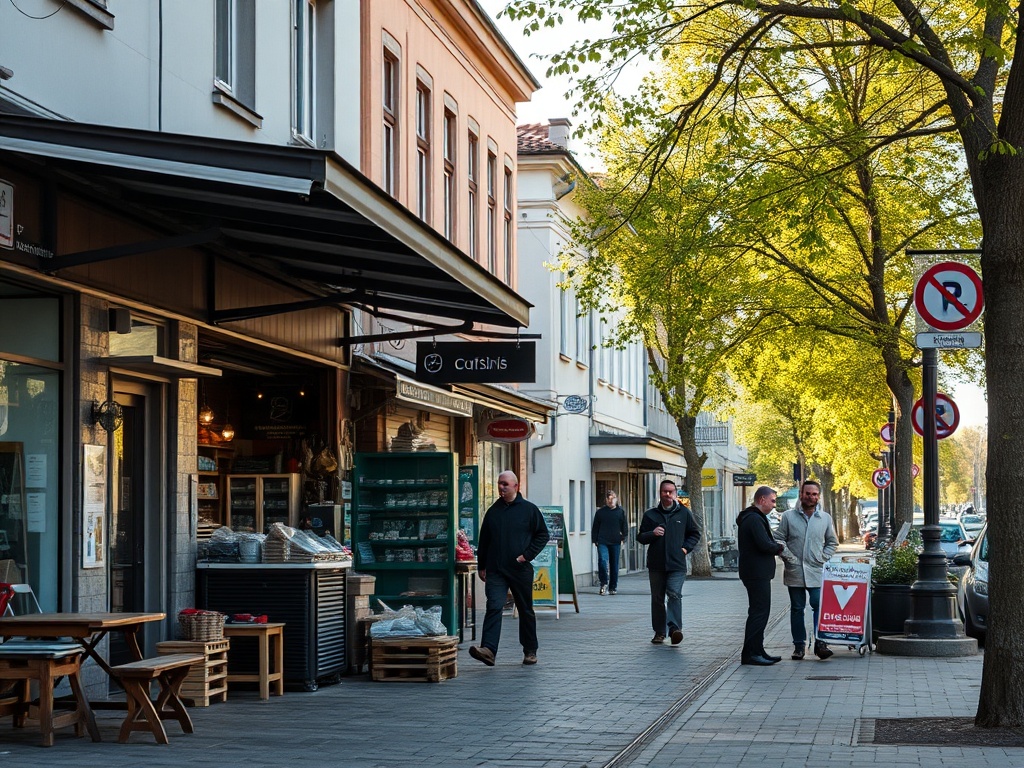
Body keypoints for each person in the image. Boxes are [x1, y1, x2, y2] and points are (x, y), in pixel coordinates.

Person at [469, 471, 549, 667]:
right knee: (494, 606)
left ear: (516, 486)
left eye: (505, 484)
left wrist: (526, 556)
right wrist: (482, 565)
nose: (501, 487)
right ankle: (488, 649)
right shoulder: (493, 511)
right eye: (499, 484)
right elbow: (485, 540)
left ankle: (530, 650)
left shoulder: (529, 510)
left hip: (519, 569)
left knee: (525, 609)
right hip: (495, 569)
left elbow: (542, 535)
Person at [775, 479, 839, 660]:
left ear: (818, 496)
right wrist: (788, 556)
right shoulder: (788, 516)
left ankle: (821, 642)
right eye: (807, 493)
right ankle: (799, 646)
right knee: (797, 608)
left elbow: (832, 542)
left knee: (819, 605)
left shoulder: (824, 518)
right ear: (801, 494)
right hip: (794, 570)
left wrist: (823, 557)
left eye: (814, 494)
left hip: (816, 570)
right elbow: (779, 539)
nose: (811, 497)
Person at [637, 479, 701, 645]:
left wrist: (685, 549)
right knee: (657, 598)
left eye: (671, 491)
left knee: (674, 593)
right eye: (665, 491)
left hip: (677, 564)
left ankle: (674, 629)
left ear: (675, 493)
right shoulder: (650, 515)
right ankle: (659, 632)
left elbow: (695, 533)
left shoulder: (684, 513)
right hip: (656, 564)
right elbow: (641, 537)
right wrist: (652, 533)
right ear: (660, 493)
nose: (668, 494)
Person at [736, 486, 785, 665]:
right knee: (759, 612)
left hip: (756, 572)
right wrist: (779, 547)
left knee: (760, 612)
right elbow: (764, 544)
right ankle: (751, 653)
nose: (774, 505)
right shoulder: (754, 519)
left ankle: (757, 649)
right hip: (756, 572)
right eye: (772, 501)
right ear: (762, 500)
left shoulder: (754, 518)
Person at [592, 490, 628, 595]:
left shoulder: (620, 512)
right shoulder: (600, 512)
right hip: (602, 540)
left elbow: (624, 526)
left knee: (614, 564)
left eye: (613, 498)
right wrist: (595, 540)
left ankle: (613, 587)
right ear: (606, 500)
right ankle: (603, 583)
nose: (611, 500)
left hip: (616, 541)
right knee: (603, 561)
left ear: (616, 499)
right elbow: (595, 527)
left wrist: (623, 538)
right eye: (609, 498)